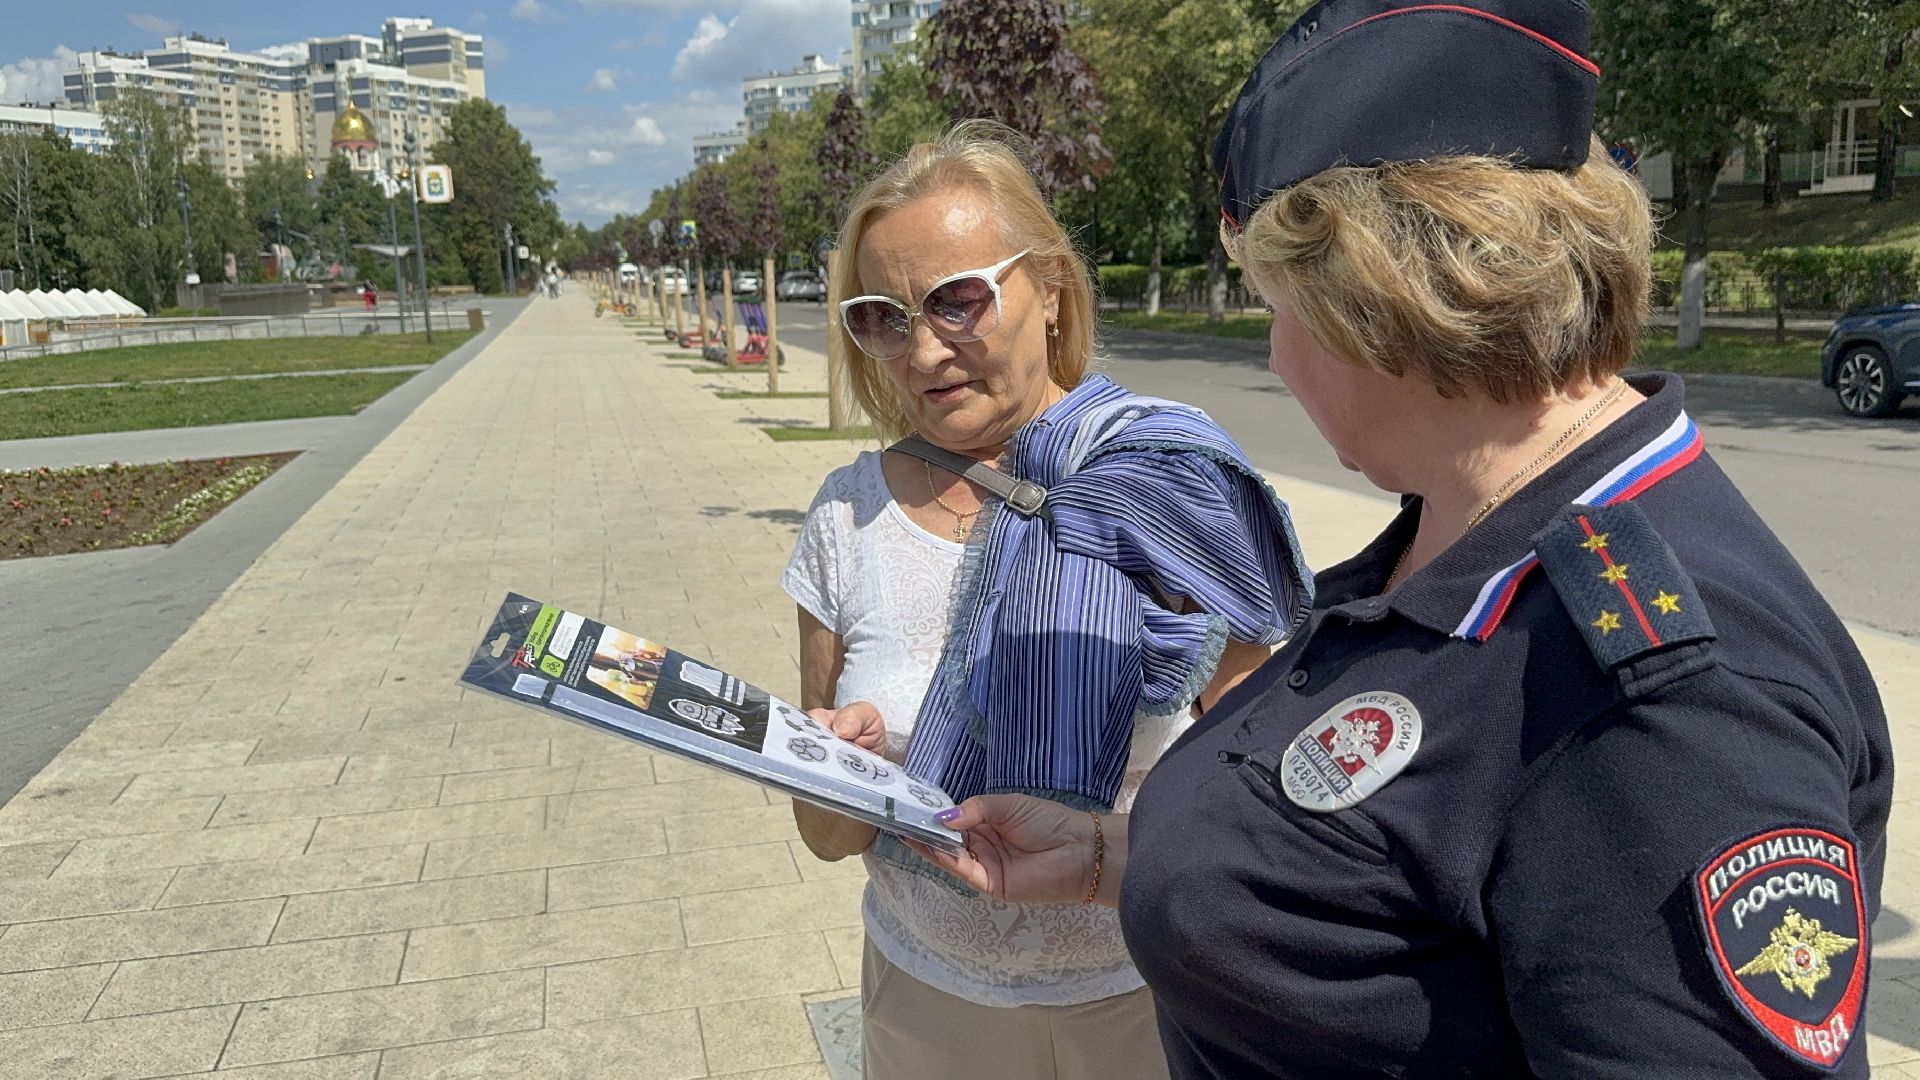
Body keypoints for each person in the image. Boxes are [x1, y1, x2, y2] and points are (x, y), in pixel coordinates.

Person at [918, 3, 1893, 1077]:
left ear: (1379, 297)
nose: (1279, 362)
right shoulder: (1468, 525)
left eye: (1280, 309)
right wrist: (1114, 856)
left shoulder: (1661, 705)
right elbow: (1386, 875)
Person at [783, 122, 1312, 1080]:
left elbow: (1259, 798)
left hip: (1152, 996)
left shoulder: (1161, 484)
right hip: (928, 1003)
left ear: (1052, 286)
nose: (923, 349)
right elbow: (824, 839)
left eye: (956, 301)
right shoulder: (845, 518)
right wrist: (835, 770)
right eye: (882, 316)